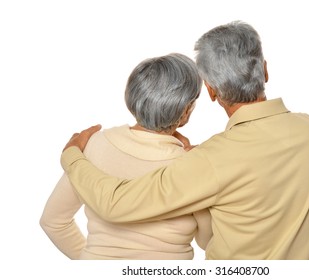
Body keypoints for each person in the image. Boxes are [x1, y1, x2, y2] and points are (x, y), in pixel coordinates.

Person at [60, 21, 309, 259]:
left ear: (211, 91)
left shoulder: (212, 159)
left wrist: (72, 156)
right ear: (265, 69)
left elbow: (115, 204)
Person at [40, 53, 212, 260]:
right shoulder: (193, 165)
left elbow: (53, 221)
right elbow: (208, 240)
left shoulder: (94, 144)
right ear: (185, 110)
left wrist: (91, 259)